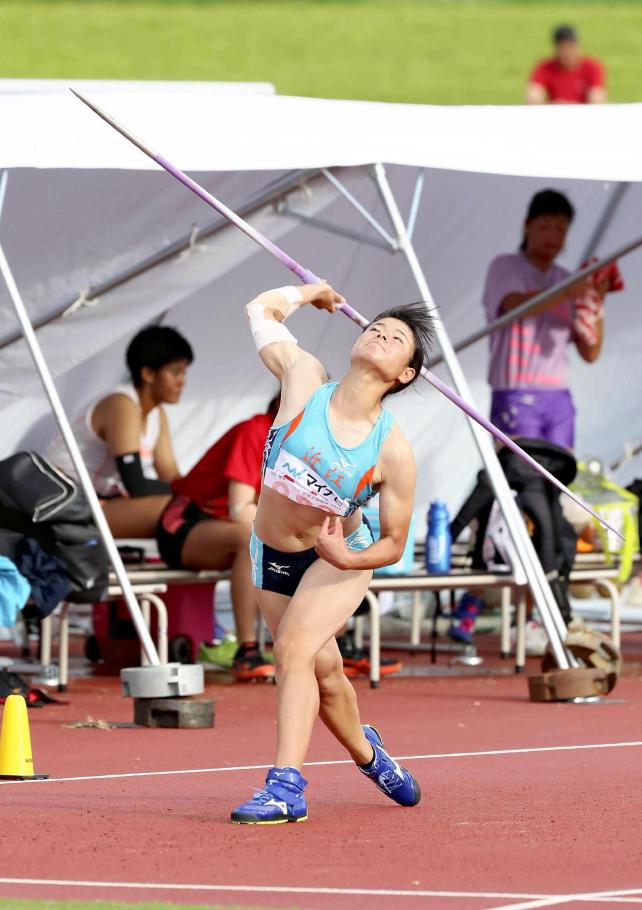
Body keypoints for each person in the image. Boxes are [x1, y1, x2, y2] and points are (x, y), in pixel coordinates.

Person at [230, 282, 432, 825]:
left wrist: (344, 558)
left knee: (293, 650)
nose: (381, 334)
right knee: (323, 673)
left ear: (404, 374)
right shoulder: (303, 379)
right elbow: (259, 307)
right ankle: (370, 754)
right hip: (271, 552)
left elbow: (392, 543)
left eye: (396, 339)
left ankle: (285, 787)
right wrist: (309, 291)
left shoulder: (391, 449)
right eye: (376, 327)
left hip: (337, 558)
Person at [157, 396, 281, 681]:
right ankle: (246, 650)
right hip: (185, 526)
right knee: (251, 536)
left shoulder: (310, 444)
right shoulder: (257, 430)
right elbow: (241, 510)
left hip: (227, 527)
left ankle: (333, 643)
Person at [483, 188, 611, 451]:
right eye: (545, 227)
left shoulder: (568, 279)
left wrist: (595, 304)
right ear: (527, 226)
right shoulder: (505, 266)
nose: (553, 236)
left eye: (561, 229)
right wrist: (568, 291)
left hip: (558, 396)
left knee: (559, 475)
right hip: (515, 390)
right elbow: (515, 305)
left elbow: (590, 352)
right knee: (524, 475)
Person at [47, 325, 192, 538]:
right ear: (148, 374)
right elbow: (136, 485)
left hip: (97, 500)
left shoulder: (156, 414)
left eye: (184, 372)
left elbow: (171, 476)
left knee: (188, 507)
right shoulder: (121, 405)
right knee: (175, 509)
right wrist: (193, 495)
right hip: (66, 500)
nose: (182, 381)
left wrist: (203, 493)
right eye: (175, 372)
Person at [526, 25, 607, 105]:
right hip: (556, 113)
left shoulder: (591, 66)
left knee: (597, 97)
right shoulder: (545, 67)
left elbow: (597, 95)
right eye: (562, 48)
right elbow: (534, 93)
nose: (567, 52)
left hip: (583, 114)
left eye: (570, 47)